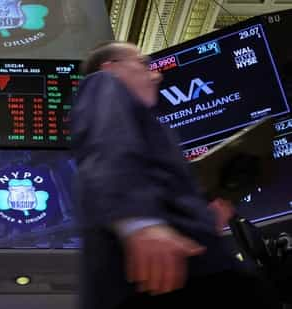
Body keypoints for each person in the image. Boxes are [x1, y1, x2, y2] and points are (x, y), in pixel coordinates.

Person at [71, 41, 278, 309]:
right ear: (111, 68)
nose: (157, 75)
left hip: (179, 265)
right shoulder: (103, 83)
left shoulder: (150, 125)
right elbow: (106, 148)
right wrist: (139, 224)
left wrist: (205, 216)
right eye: (143, 64)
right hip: (150, 274)